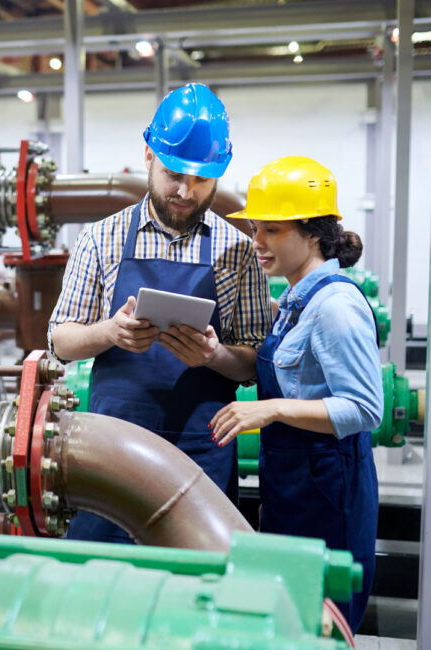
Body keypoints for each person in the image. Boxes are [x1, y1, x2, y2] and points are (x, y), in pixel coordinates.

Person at [48, 83, 273, 544]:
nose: (185, 192)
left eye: (201, 180)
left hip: (202, 451)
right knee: (104, 576)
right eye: (174, 174)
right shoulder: (101, 238)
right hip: (112, 449)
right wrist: (110, 333)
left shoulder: (238, 252)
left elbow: (253, 363)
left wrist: (212, 356)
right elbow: (61, 342)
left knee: (197, 582)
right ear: (149, 154)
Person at [211, 156, 381, 632]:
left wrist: (271, 409)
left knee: (323, 622)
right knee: (292, 617)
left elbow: (365, 408)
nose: (257, 242)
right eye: (255, 228)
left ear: (312, 233)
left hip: (328, 489)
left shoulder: (335, 307)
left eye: (271, 230)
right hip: (294, 481)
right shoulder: (295, 299)